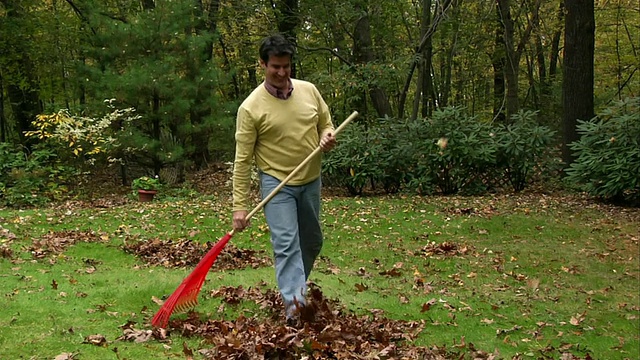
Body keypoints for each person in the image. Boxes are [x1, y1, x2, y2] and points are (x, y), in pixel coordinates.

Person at [231, 34, 336, 323]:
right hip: (276, 184)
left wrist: (327, 136)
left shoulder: (309, 91)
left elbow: (325, 123)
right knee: (287, 244)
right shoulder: (250, 108)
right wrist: (239, 206)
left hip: (311, 180)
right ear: (263, 64)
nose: (281, 72)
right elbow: (242, 160)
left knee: (312, 242)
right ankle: (295, 308)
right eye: (275, 66)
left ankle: (294, 287)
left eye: (286, 66)